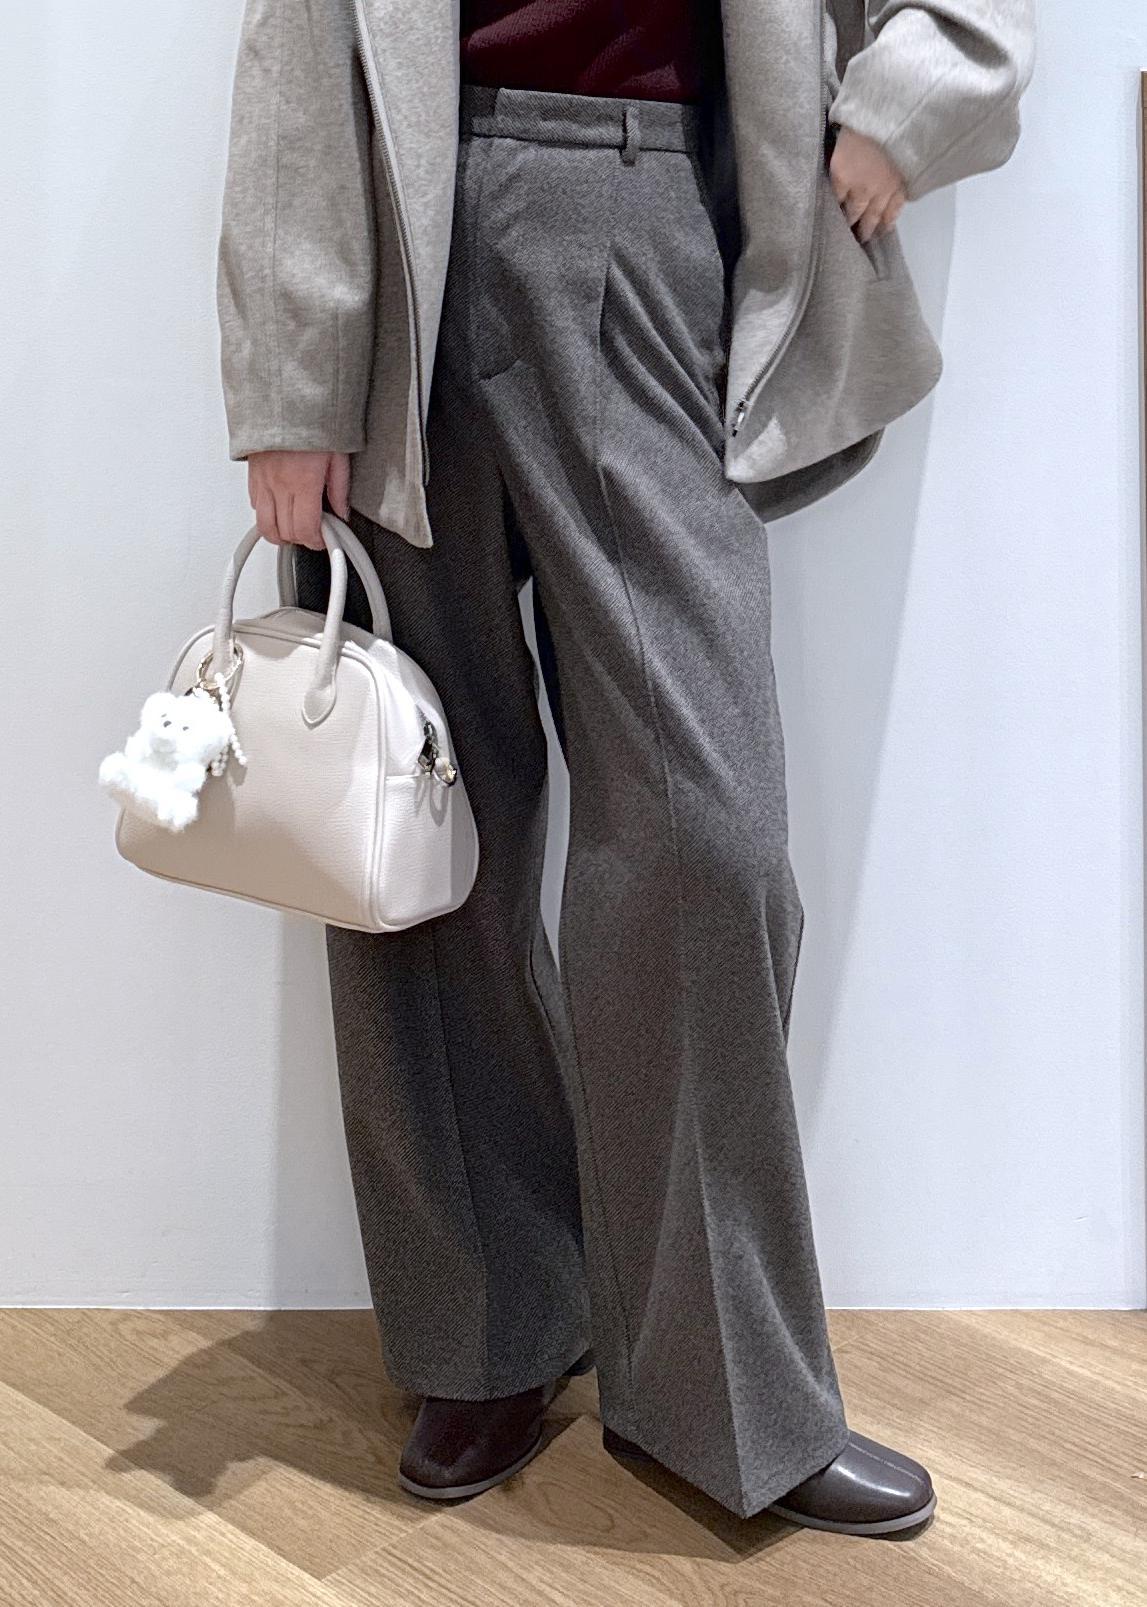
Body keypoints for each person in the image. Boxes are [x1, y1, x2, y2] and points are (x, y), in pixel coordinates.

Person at [216, 0, 1035, 1532]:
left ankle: (718, 1393)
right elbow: (297, 35)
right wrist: (288, 375)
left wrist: (909, 99)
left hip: (651, 202)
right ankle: (487, 1333)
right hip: (393, 232)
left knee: (702, 837)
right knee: (408, 825)